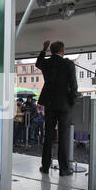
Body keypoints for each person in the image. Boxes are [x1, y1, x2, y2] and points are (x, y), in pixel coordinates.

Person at [36, 40, 79, 176]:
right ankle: (64, 169)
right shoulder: (68, 64)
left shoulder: (47, 63)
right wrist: (72, 101)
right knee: (64, 137)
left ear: (51, 51)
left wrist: (44, 49)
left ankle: (45, 167)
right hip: (64, 104)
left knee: (48, 136)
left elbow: (38, 63)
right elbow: (73, 85)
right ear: (63, 50)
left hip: (49, 103)